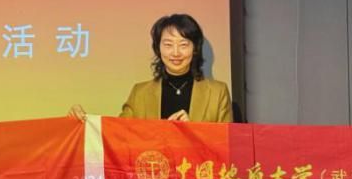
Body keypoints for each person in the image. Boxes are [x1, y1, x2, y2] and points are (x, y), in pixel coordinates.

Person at [71, 13, 232, 122]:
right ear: (158, 48)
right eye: (168, 45)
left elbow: (228, 147)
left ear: (195, 48)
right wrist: (83, 121)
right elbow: (118, 135)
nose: (176, 53)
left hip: (198, 165)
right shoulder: (140, 94)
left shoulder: (217, 93)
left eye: (183, 45)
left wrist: (193, 133)